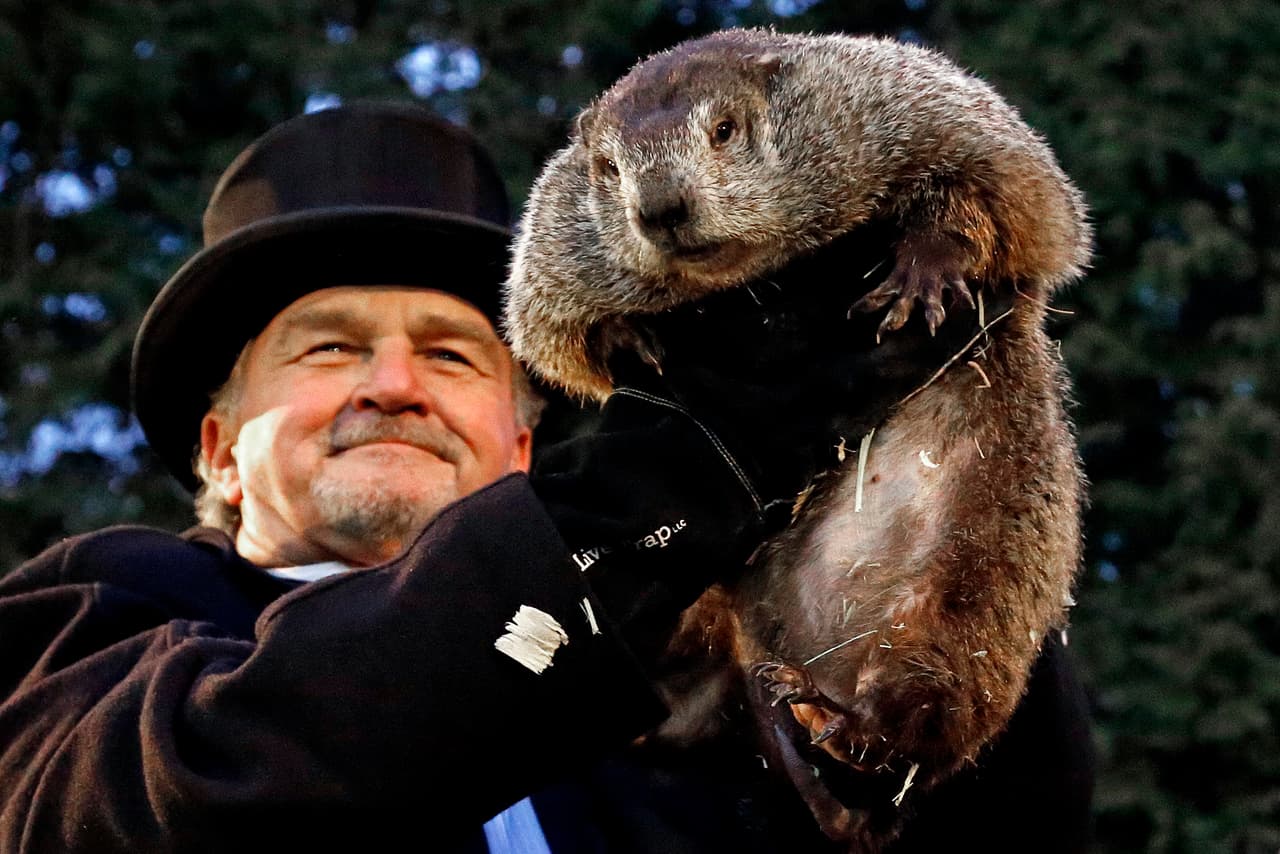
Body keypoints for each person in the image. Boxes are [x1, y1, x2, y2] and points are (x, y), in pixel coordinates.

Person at [0, 103, 1093, 853]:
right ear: (217, 448)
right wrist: (645, 501)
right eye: (326, 348)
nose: (393, 385)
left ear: (519, 445)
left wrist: (928, 501)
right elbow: (156, 806)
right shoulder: (94, 616)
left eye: (450, 353)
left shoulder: (673, 685)